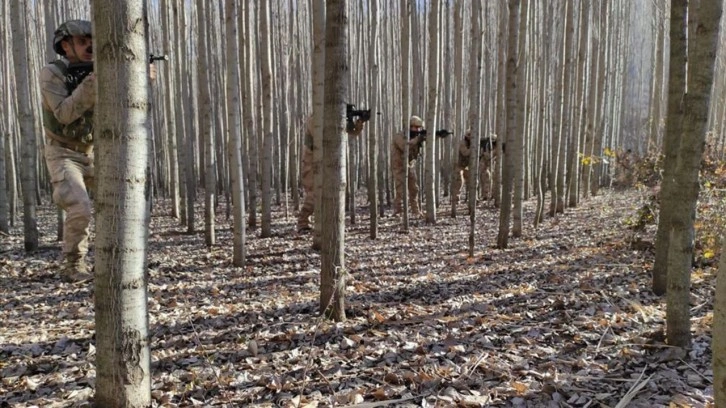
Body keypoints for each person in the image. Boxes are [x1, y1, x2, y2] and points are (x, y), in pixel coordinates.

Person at [41, 20, 156, 282]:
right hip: (63, 152)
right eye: (82, 41)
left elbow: (129, 106)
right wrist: (93, 83)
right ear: (65, 46)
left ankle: (126, 259)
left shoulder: (101, 70)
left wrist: (138, 79)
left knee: (125, 201)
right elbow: (65, 114)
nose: (90, 46)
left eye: (93, 40)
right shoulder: (53, 73)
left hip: (97, 151)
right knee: (80, 206)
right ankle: (73, 264)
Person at [297, 116, 365, 233]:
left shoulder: (334, 117)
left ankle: (328, 223)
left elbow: (353, 132)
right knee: (314, 193)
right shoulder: (315, 117)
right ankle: (303, 223)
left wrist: (359, 123)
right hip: (311, 159)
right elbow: (319, 136)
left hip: (327, 161)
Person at [391, 115, 426, 216]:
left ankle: (416, 211)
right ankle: (398, 211)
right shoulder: (399, 136)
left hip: (410, 165)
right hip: (399, 166)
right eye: (415, 127)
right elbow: (404, 146)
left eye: (419, 128)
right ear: (410, 126)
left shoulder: (415, 137)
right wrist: (418, 139)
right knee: (400, 189)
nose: (417, 129)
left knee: (414, 188)